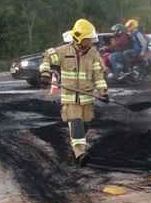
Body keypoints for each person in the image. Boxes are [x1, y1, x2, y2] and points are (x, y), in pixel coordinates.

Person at [38, 19, 108, 167]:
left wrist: (103, 91)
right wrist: (45, 73)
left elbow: (98, 74)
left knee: (85, 123)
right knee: (75, 122)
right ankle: (80, 154)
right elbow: (46, 56)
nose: (91, 42)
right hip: (70, 97)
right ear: (79, 38)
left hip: (87, 97)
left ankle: (77, 147)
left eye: (91, 39)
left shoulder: (93, 53)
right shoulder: (64, 51)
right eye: (88, 39)